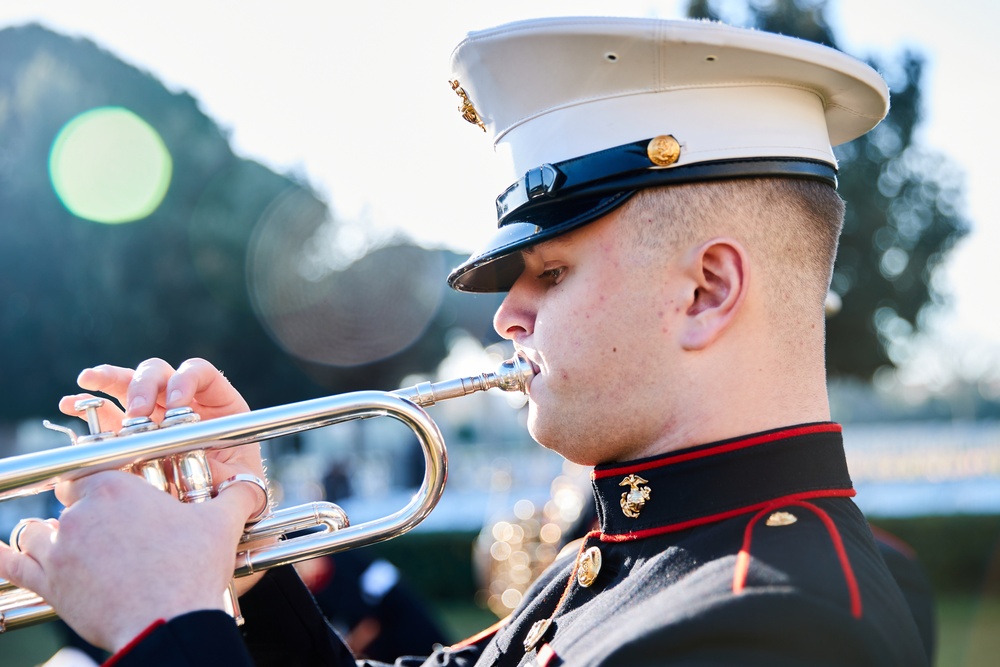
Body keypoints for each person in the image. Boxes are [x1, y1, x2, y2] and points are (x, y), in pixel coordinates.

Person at [0, 16, 930, 666]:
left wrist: (165, 623)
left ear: (706, 289)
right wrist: (240, 559)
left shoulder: (777, 623)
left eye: (550, 273)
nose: (504, 318)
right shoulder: (618, 556)